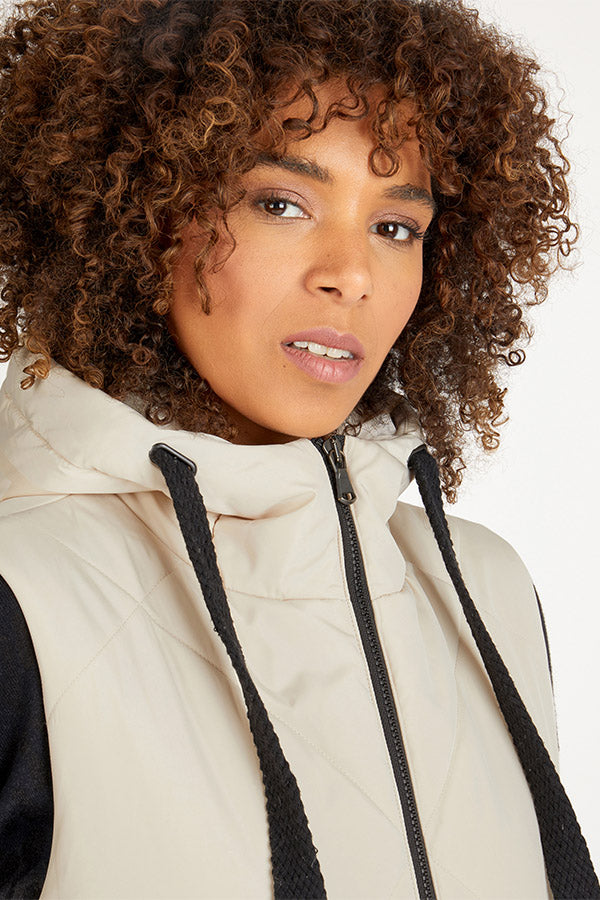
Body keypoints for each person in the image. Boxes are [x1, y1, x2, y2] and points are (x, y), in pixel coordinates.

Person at [0, 0, 597, 897]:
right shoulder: (24, 601)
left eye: (395, 227)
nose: (351, 275)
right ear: (140, 208)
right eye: (281, 204)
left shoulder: (486, 591)